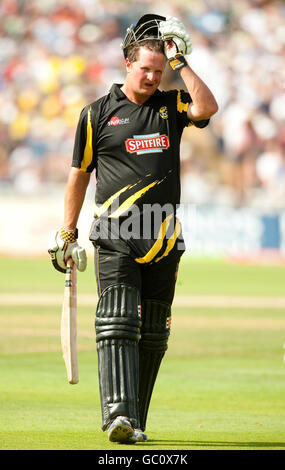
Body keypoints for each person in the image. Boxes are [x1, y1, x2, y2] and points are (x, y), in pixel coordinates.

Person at [48, 13, 218, 444]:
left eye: (158, 71)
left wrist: (180, 66)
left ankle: (135, 422)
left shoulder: (171, 104)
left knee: (154, 334)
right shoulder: (97, 114)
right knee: (118, 322)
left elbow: (206, 108)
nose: (151, 77)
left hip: (163, 236)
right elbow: (78, 175)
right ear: (127, 62)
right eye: (145, 69)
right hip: (116, 233)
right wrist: (67, 233)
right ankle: (117, 416)